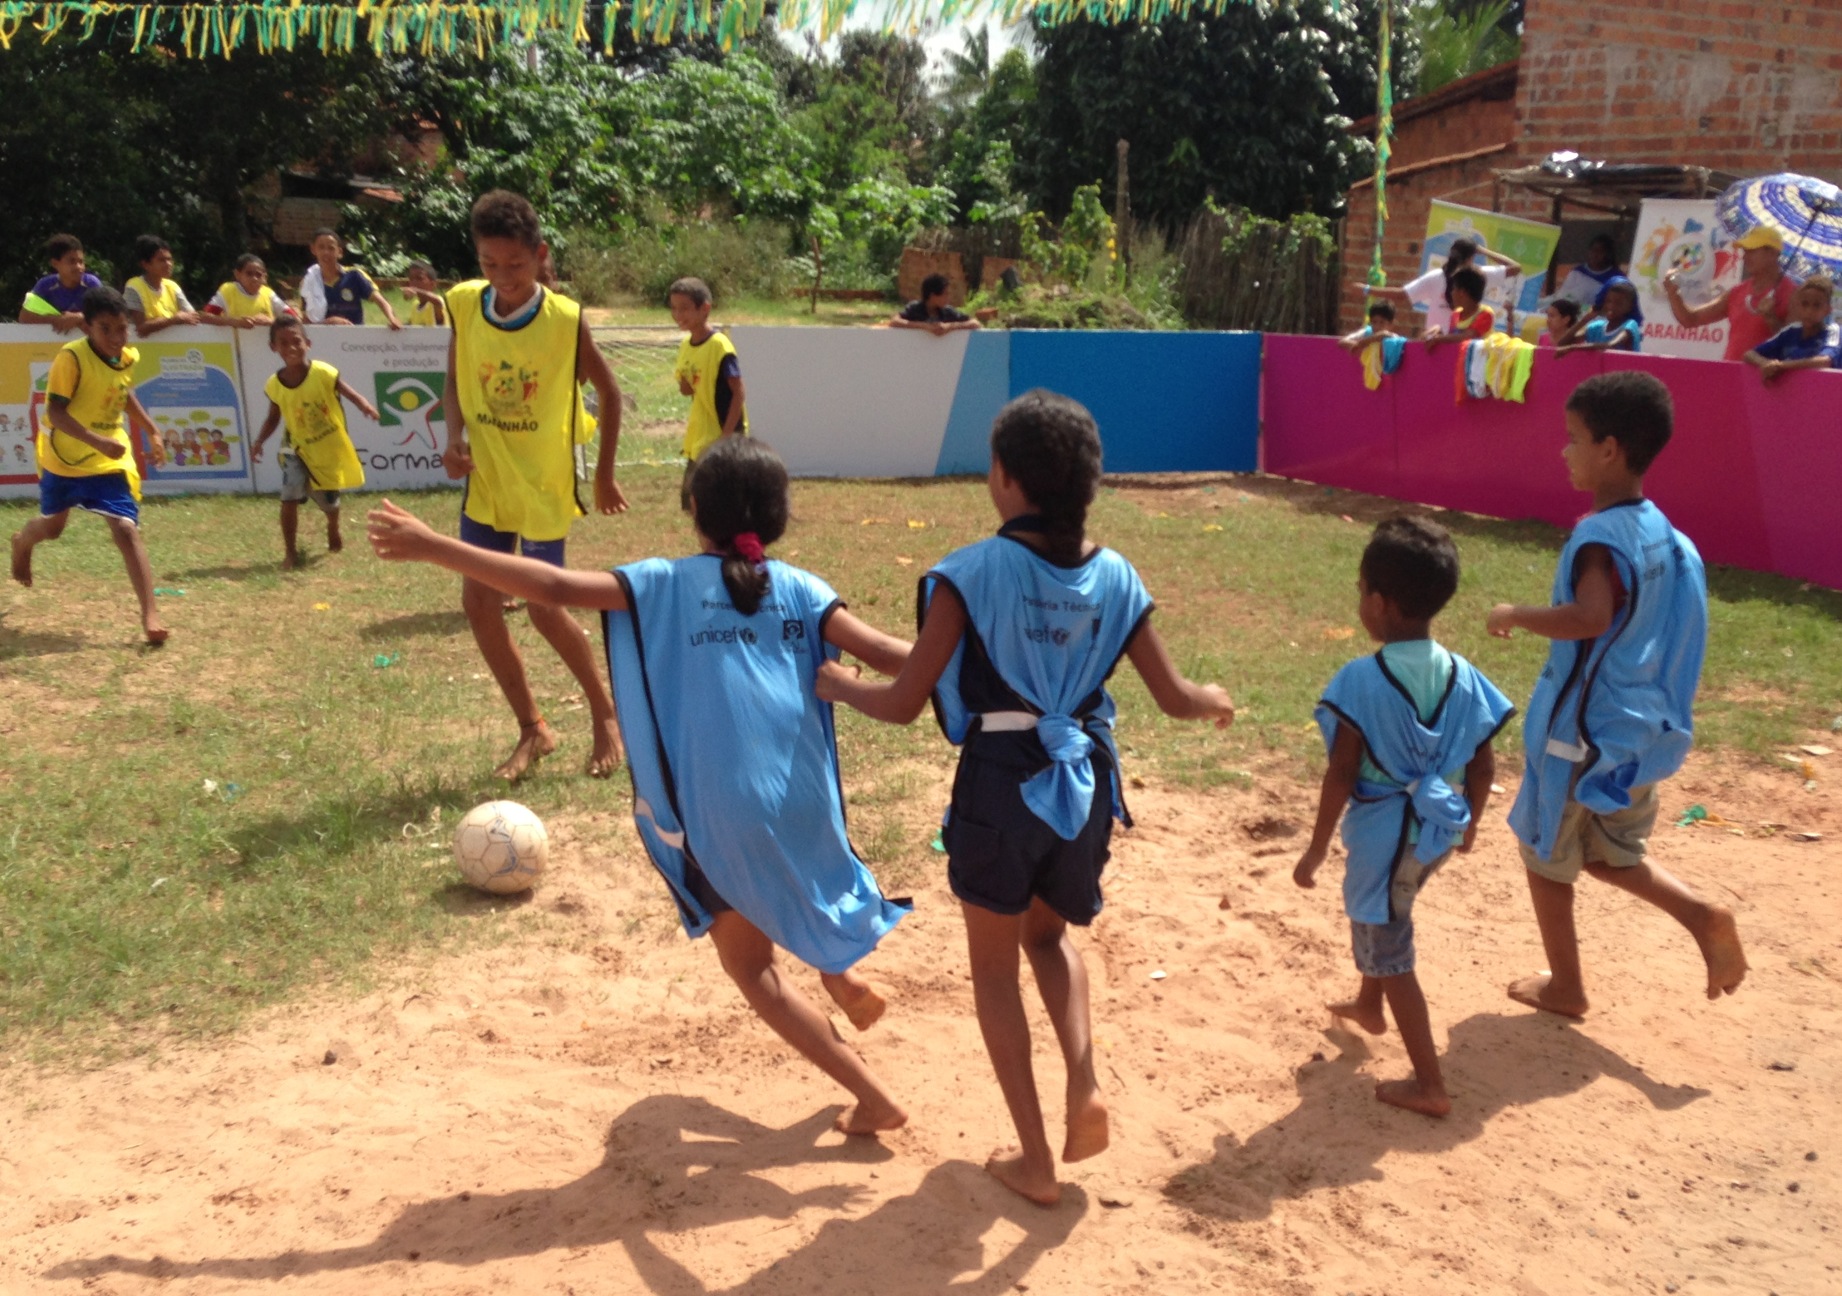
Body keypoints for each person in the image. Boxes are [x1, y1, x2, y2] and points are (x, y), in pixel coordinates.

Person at [366, 436, 915, 1138]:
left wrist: (436, 544)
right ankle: (841, 971)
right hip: (806, 802)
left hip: (719, 810)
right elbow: (898, 656)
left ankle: (874, 1095)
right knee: (785, 871)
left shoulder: (658, 582)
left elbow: (554, 588)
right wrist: (976, 643)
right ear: (778, 517)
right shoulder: (804, 589)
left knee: (755, 973)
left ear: (694, 508)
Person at [816, 390, 1236, 1206]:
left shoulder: (967, 573)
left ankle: (1037, 1162)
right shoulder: (1118, 576)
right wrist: (1212, 695)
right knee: (1050, 940)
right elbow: (1176, 696)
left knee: (995, 971)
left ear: (1004, 477)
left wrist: (842, 685)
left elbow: (906, 700)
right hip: (1081, 785)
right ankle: (1085, 1081)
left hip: (1000, 786)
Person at [1487, 371, 1748, 1018]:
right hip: (1638, 735)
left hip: (1581, 736)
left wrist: (1516, 613)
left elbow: (1590, 617)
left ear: (1609, 449)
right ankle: (1701, 914)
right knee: (1608, 854)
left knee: (1545, 855)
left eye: (1573, 438)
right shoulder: (1662, 532)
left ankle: (1567, 987)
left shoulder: (1597, 540)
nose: (1563, 451)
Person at [1293, 517, 1514, 1119]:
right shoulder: (1465, 673)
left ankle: (1429, 1083)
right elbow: (1485, 765)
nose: (1360, 600)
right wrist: (1469, 826)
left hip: (1390, 835)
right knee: (1385, 909)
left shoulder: (1361, 680)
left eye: (1362, 589)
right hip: (1437, 830)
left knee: (1389, 941)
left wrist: (1314, 850)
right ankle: (1369, 1006)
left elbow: (1341, 773)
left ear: (1382, 603)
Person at [443, 189, 626, 782]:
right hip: (490, 482)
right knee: (478, 603)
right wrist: (453, 436)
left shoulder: (565, 320)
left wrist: (601, 474)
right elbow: (452, 376)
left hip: (544, 483)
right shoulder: (465, 306)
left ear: (540, 255)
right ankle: (533, 728)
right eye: (489, 264)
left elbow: (611, 393)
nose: (503, 277)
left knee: (547, 612)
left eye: (516, 265)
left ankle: (605, 713)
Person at [9, 287, 169, 645]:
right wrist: (96, 441)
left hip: (109, 459)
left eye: (122, 328)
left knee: (126, 529)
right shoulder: (72, 359)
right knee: (53, 528)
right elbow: (55, 413)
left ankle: (150, 614)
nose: (116, 337)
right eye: (106, 329)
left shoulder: (125, 358)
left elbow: (124, 395)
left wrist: (153, 431)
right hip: (65, 457)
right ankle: (22, 542)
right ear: (87, 327)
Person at [251, 317, 378, 567]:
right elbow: (273, 417)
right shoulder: (274, 385)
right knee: (288, 497)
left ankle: (333, 526)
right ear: (273, 347)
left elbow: (348, 392)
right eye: (283, 343)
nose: (291, 348)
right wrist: (259, 442)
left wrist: (364, 405)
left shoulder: (323, 373)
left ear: (307, 343)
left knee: (329, 503)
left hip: (326, 447)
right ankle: (290, 552)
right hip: (295, 448)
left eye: (296, 341)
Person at [1663, 225, 1797, 362]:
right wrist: (1673, 293)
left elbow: (1796, 347)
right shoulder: (1737, 292)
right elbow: (1691, 319)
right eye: (1745, 251)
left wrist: (1771, 318)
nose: (1745, 257)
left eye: (1752, 251)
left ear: (1772, 254)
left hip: (1768, 380)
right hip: (1731, 375)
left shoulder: (1794, 295)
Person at [669, 277, 747, 511]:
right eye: (673, 308)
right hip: (699, 437)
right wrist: (684, 378)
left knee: (720, 504)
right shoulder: (685, 346)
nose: (678, 315)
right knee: (693, 502)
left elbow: (739, 392)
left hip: (722, 436)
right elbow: (686, 390)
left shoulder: (719, 346)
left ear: (705, 309)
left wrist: (726, 438)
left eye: (684, 308)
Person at [1370, 238, 1520, 338]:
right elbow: (1515, 267)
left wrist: (1367, 289)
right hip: (1445, 344)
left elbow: (1401, 294)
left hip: (1440, 344)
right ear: (1470, 258)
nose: (1454, 294)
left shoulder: (1440, 277)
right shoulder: (1479, 275)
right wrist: (1481, 250)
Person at [1743, 275, 1841, 382]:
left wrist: (1781, 365)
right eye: (1805, 304)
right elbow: (1749, 354)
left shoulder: (1833, 331)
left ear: (1828, 310)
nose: (1809, 311)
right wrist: (1766, 364)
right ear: (1798, 307)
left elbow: (1825, 361)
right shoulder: (1790, 331)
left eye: (1816, 306)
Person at [300, 228, 402, 329]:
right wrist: (328, 323)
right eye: (321, 247)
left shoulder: (354, 275)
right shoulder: (309, 282)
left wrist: (392, 318)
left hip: (355, 340)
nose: (326, 252)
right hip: (324, 340)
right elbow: (306, 321)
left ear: (339, 252)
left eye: (331, 248)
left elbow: (380, 300)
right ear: (313, 249)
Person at [17, 234, 103, 332]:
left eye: (81, 261)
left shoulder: (91, 284)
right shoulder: (45, 286)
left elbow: (107, 314)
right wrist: (57, 320)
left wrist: (80, 317)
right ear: (55, 264)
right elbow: (24, 318)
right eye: (72, 261)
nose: (79, 267)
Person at [123, 235, 201, 336]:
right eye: (161, 260)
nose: (168, 264)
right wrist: (173, 320)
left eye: (169, 259)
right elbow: (141, 329)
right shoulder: (134, 287)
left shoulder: (173, 287)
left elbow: (192, 316)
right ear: (145, 264)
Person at [1553, 234, 1636, 321]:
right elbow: (1563, 296)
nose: (1595, 255)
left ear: (1609, 254)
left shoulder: (1617, 279)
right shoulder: (1577, 272)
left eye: (1600, 252)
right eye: (1593, 250)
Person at [202, 254, 294, 329]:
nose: (254, 279)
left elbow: (294, 318)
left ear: (265, 278)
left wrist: (271, 321)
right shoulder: (227, 291)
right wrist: (237, 322)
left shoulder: (268, 294)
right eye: (249, 274)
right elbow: (205, 317)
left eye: (259, 275)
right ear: (237, 274)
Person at [1558, 277, 1642, 354]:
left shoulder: (1630, 325)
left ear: (1629, 307)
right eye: (1608, 301)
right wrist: (1585, 320)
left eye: (1618, 303)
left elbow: (1610, 345)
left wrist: (1574, 348)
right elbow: (1562, 344)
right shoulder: (1596, 327)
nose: (1611, 306)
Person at [1421, 267, 1493, 350]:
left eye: (1453, 289)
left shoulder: (1485, 314)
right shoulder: (1455, 314)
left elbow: (1467, 338)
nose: (1451, 293)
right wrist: (1436, 331)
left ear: (1462, 292)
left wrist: (1437, 338)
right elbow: (1451, 340)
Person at [890, 272, 980, 335]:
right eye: (945, 294)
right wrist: (924, 326)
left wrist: (950, 327)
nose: (948, 298)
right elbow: (895, 321)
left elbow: (975, 323)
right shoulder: (914, 309)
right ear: (932, 295)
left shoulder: (947, 312)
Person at [402, 259, 447, 327]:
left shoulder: (435, 303)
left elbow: (437, 302)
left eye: (419, 279)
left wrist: (417, 290)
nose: (414, 282)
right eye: (411, 279)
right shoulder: (415, 305)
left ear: (433, 284)